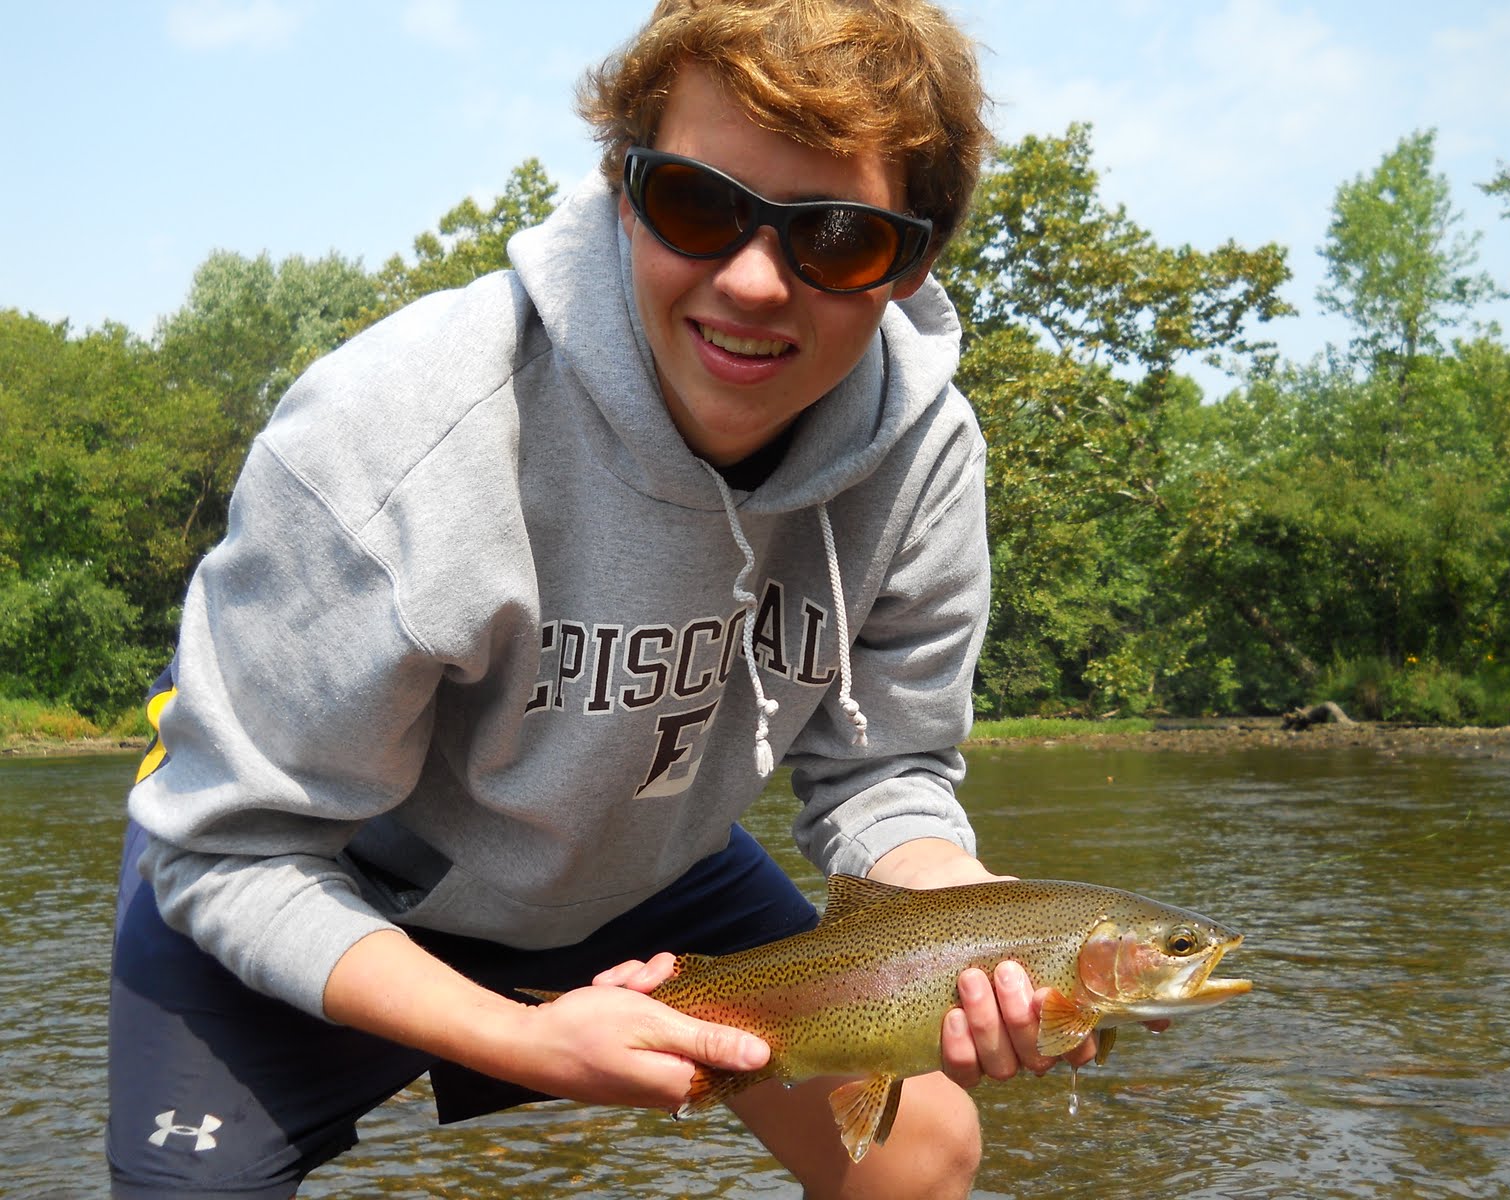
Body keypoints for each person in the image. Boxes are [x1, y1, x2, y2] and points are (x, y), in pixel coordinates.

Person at [106, 2, 1106, 1196]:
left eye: (833, 237)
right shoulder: (391, 433)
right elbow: (233, 846)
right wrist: (522, 1036)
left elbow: (882, 773)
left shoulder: (924, 454)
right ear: (623, 188)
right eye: (697, 204)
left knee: (919, 1150)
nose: (750, 282)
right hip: (324, 867)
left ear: (912, 261)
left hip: (640, 865)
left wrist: (977, 928)